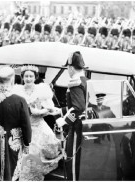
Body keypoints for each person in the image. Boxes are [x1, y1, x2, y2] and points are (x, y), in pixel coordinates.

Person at [12, 65, 62, 181]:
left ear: (35, 77)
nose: (28, 79)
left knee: (46, 145)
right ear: (22, 77)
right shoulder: (17, 91)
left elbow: (50, 109)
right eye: (26, 76)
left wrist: (39, 112)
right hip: (23, 126)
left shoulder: (42, 90)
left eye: (31, 76)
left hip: (38, 124)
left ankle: (32, 176)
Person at [56, 51, 87, 181]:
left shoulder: (75, 81)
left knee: (72, 161)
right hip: (79, 124)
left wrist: (65, 121)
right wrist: (59, 111)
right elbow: (74, 106)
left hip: (76, 127)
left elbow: (78, 109)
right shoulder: (83, 79)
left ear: (71, 67)